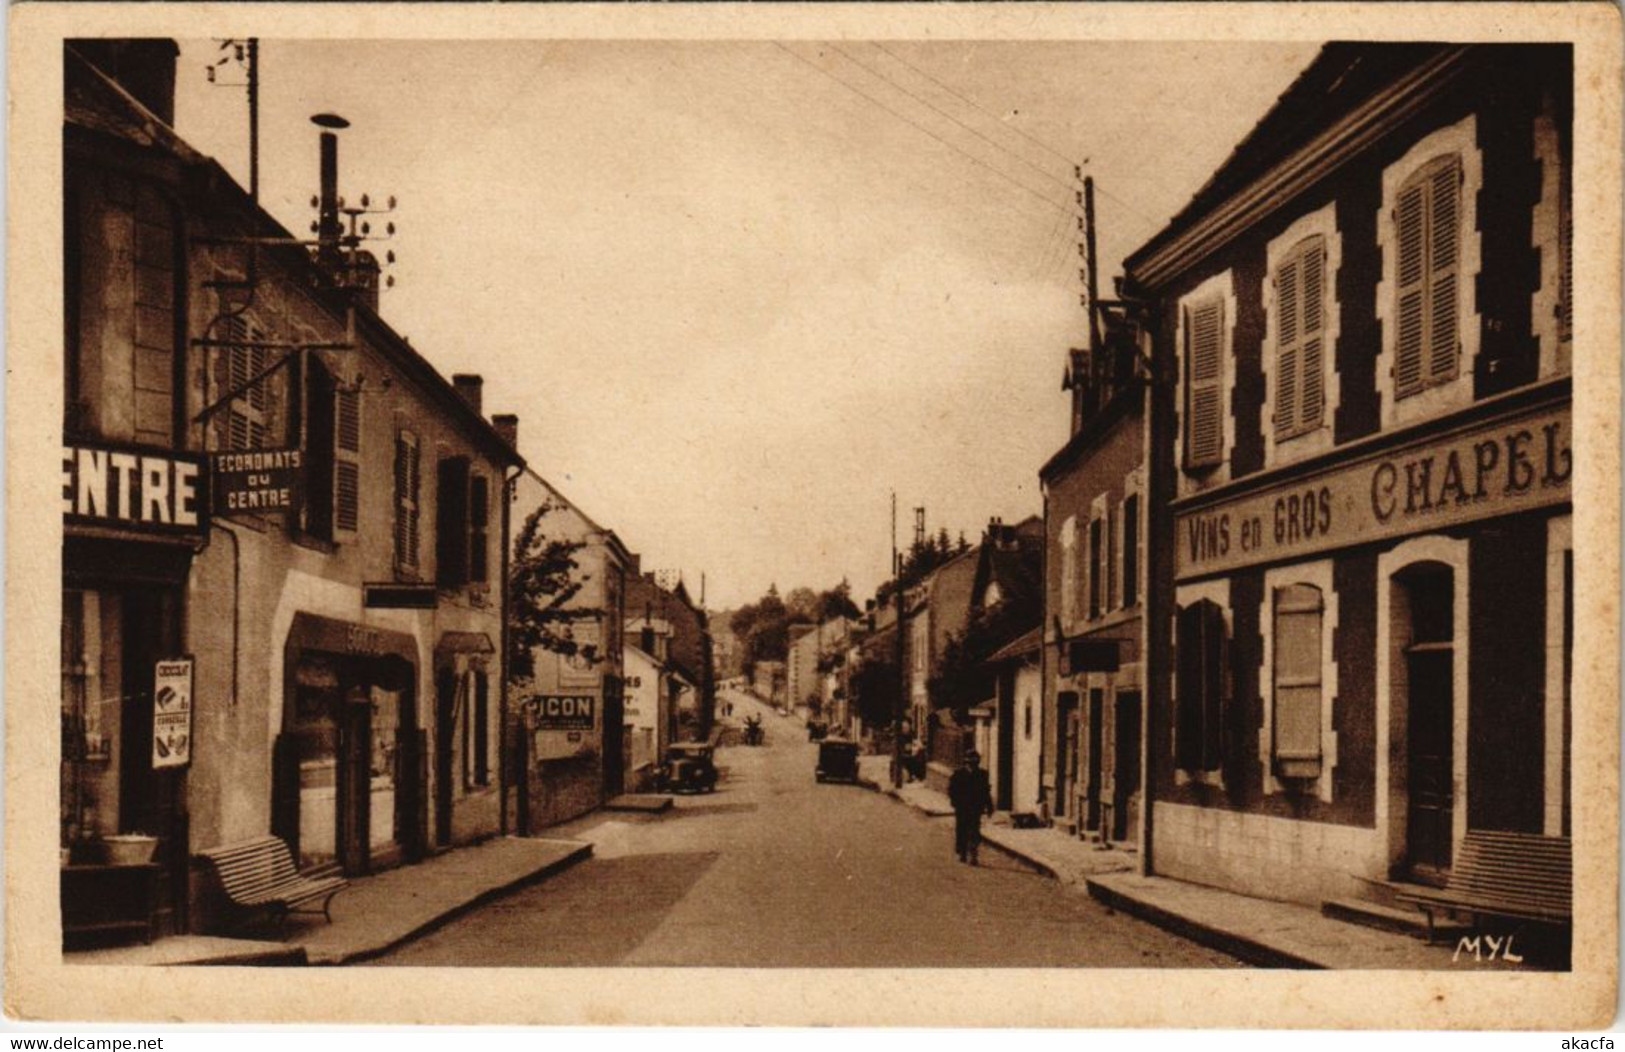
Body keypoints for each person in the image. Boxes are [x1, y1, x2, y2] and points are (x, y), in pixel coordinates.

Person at [947, 750, 994, 865]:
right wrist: (955, 802)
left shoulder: (983, 774)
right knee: (961, 829)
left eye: (974, 763)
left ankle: (973, 853)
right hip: (962, 807)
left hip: (976, 807)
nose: (972, 765)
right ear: (966, 762)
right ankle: (962, 852)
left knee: (975, 830)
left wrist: (989, 806)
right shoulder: (958, 774)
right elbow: (952, 790)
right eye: (969, 762)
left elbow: (985, 791)